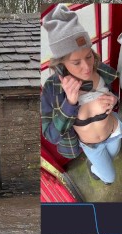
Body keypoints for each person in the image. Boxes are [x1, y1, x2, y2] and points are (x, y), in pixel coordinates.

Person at [41, 4, 121, 185]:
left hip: (115, 131)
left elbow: (114, 93)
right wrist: (69, 102)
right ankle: (95, 168)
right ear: (61, 62)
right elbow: (51, 135)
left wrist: (114, 99)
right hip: (92, 146)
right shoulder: (52, 89)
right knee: (110, 177)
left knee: (114, 155)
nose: (87, 67)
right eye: (76, 62)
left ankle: (99, 165)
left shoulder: (99, 68)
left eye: (88, 56)